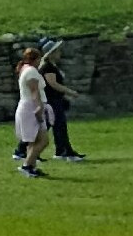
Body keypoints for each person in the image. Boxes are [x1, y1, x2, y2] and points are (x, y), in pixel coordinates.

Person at [38, 36, 86, 161]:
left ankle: (62, 150)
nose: (60, 53)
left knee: (57, 126)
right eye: (57, 51)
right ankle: (64, 151)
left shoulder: (51, 66)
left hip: (55, 100)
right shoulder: (48, 67)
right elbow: (53, 84)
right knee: (58, 125)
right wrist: (70, 92)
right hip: (52, 100)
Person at [13, 47, 52, 178]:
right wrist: (39, 108)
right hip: (31, 107)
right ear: (35, 59)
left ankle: (32, 166)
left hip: (29, 106)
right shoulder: (31, 72)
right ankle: (26, 165)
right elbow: (34, 91)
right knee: (43, 140)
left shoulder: (26, 70)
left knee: (34, 141)